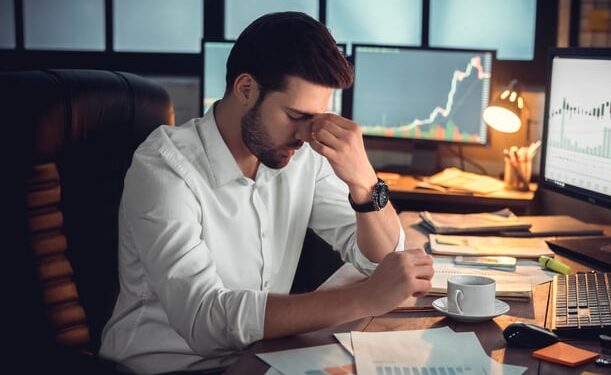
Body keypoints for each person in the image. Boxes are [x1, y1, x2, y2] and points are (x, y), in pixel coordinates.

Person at [99, 11, 434, 374]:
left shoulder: (300, 156)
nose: (307, 135)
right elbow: (205, 319)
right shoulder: (163, 167)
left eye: (316, 118)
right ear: (246, 89)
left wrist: (364, 181)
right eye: (295, 116)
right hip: (168, 368)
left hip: (260, 359)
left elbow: (380, 262)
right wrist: (362, 299)